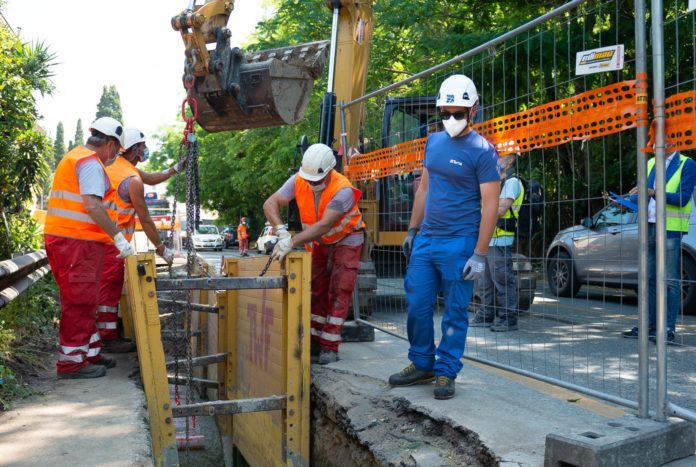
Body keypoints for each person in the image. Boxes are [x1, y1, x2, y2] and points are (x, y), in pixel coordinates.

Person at [388, 75, 501, 399]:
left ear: (474, 110)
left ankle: (446, 371)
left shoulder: (483, 151)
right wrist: (412, 229)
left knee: (454, 311)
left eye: (459, 114)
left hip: (460, 243)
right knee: (417, 305)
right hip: (427, 240)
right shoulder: (433, 142)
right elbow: (424, 187)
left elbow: (491, 204)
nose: (452, 120)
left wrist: (479, 254)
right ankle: (422, 363)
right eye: (446, 113)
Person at [44, 117, 135, 379]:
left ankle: (89, 354)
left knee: (86, 301)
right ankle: (72, 363)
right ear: (109, 145)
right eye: (117, 151)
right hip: (76, 243)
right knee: (80, 302)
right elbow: (93, 206)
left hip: (76, 242)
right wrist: (118, 237)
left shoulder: (79, 157)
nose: (115, 157)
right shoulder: (90, 163)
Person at [263, 143, 364, 365]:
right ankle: (314, 341)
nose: (310, 183)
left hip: (347, 238)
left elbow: (324, 225)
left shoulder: (343, 189)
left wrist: (291, 241)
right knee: (316, 290)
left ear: (329, 172)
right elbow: (270, 203)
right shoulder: (299, 179)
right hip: (317, 241)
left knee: (339, 290)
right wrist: (280, 230)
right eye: (308, 179)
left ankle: (330, 346)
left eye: (316, 180)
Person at [97, 128, 183, 353]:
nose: (145, 149)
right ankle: (107, 337)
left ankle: (101, 334)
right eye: (143, 146)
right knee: (109, 290)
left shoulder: (115, 166)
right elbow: (144, 218)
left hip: (97, 238)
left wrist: (174, 169)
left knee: (99, 289)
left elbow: (151, 178)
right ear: (134, 149)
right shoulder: (132, 179)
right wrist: (162, 248)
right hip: (113, 244)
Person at [621, 148, 696, 344]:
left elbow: (683, 198)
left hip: (670, 229)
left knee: (670, 280)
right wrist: (632, 197)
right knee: (650, 279)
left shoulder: (686, 164)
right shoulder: (651, 163)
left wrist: (654, 192)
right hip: (649, 227)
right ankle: (649, 327)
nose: (656, 143)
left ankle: (668, 330)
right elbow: (642, 196)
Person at [470, 152, 523, 331]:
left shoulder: (512, 182)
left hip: (501, 240)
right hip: (488, 240)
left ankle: (508, 318)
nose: (495, 159)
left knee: (503, 280)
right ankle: (486, 314)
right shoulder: (496, 182)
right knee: (485, 282)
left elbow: (500, 210)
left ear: (510, 160)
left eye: (500, 156)